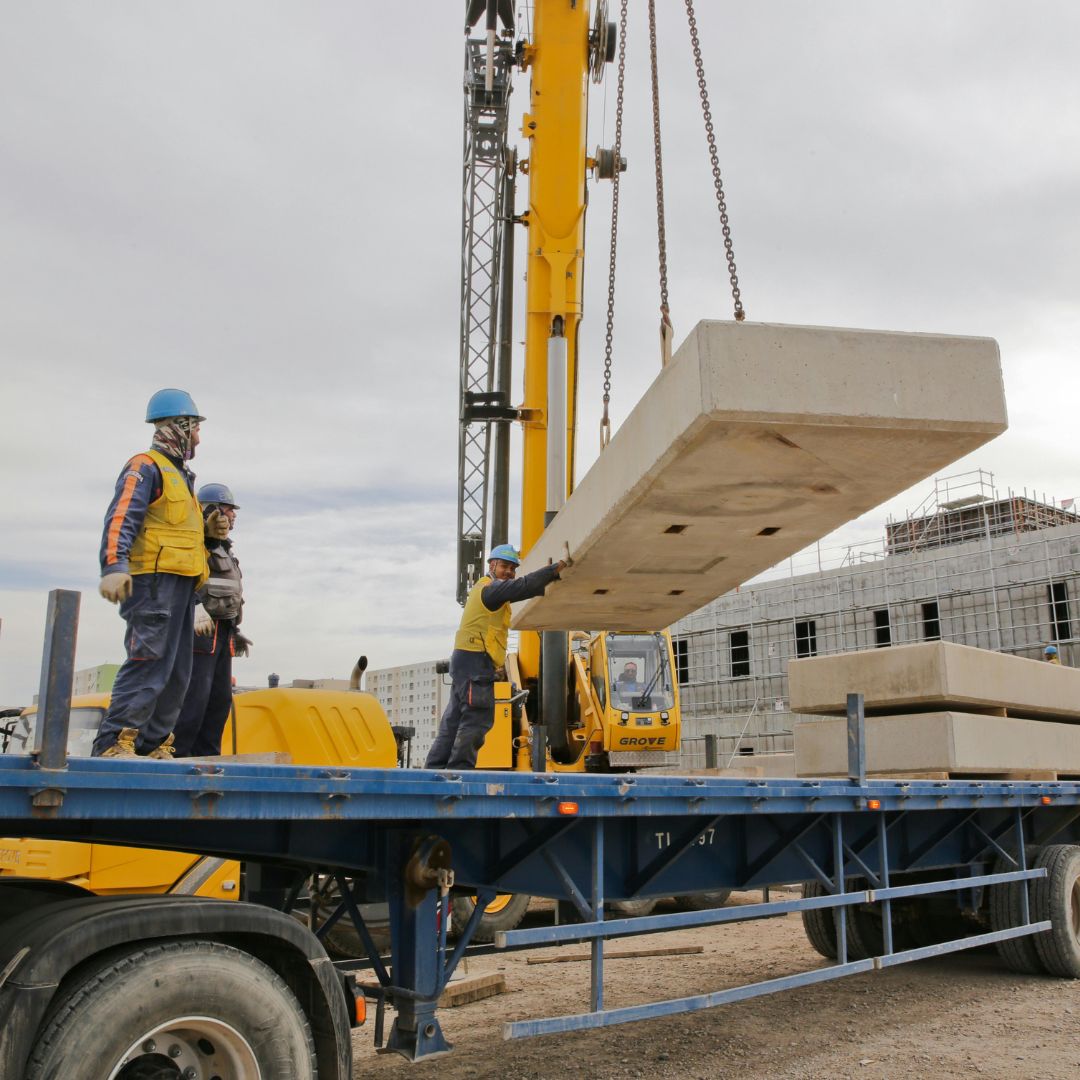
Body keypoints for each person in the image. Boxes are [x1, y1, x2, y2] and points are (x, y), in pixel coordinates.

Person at [91, 389, 229, 758]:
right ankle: (114, 742)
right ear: (179, 426)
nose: (198, 438)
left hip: (182, 586)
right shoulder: (146, 466)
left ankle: (151, 744)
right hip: (154, 583)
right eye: (195, 429)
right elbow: (121, 516)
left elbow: (181, 535)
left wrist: (208, 535)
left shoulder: (182, 477)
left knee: (177, 674)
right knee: (148, 663)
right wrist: (114, 565)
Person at [425, 544, 566, 770]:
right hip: (475, 662)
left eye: (513, 568)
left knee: (454, 720)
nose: (509, 572)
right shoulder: (491, 589)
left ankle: (435, 770)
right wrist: (554, 570)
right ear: (492, 565)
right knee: (477, 719)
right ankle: (459, 771)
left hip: (466, 661)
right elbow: (523, 586)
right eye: (504, 566)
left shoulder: (485, 588)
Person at [171, 483, 252, 757]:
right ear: (211, 510)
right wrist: (194, 605)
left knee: (218, 702)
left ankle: (207, 759)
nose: (233, 515)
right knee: (194, 699)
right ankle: (178, 757)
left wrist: (235, 630)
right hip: (201, 632)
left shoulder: (225, 550)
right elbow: (182, 574)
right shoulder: (196, 542)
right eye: (228, 509)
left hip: (223, 632)